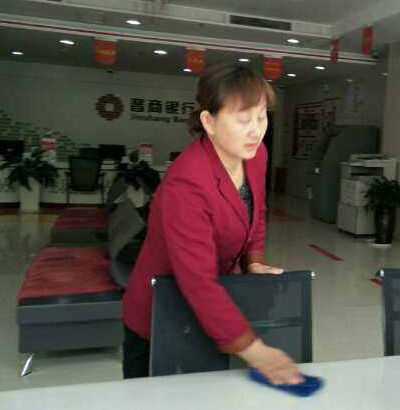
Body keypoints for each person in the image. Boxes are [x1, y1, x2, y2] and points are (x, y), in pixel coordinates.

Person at [122, 64, 302, 385]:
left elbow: (256, 214)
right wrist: (258, 352)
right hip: (161, 315)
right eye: (244, 120)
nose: (256, 131)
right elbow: (197, 282)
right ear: (209, 122)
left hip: (213, 309)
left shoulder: (256, 155)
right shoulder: (187, 183)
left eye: (262, 117)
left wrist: (254, 261)